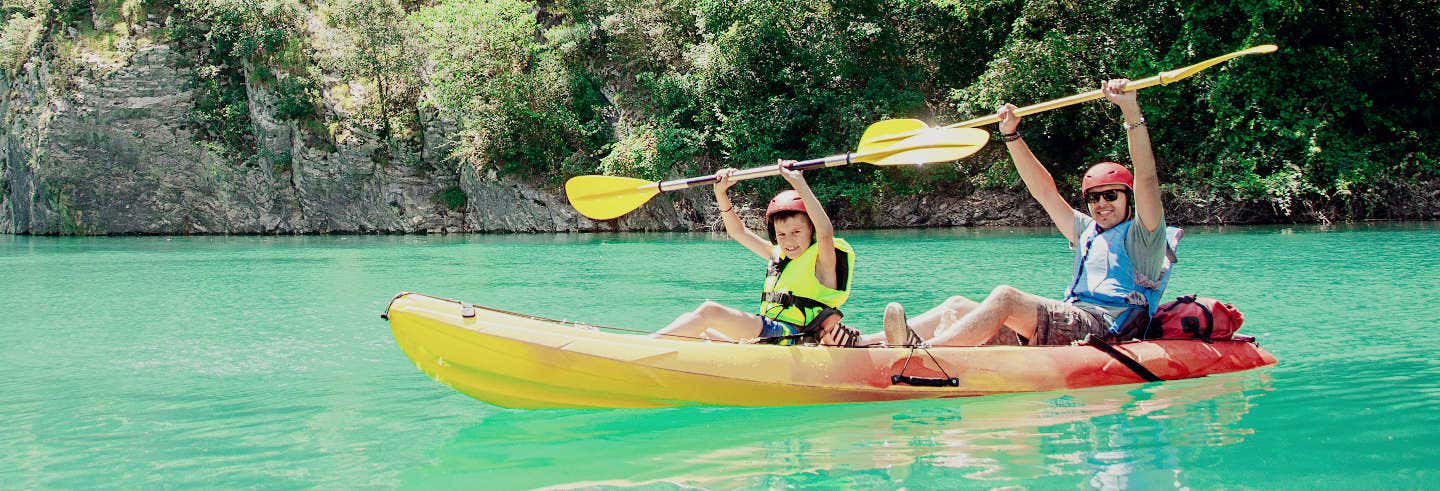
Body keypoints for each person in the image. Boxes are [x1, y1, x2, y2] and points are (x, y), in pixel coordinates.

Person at [884, 78, 1180, 347]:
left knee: (1006, 297)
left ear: (1129, 198)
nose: (1101, 203)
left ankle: (926, 353)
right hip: (1074, 317)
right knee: (957, 304)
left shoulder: (1145, 236)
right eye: (1093, 197)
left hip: (1105, 325)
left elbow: (1147, 176)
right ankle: (870, 343)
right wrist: (1011, 135)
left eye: (1111, 195)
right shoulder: (1086, 230)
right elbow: (1045, 192)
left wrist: (1130, 111)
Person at [651, 161, 861, 346]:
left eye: (796, 232)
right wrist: (721, 193)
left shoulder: (822, 262)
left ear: (810, 231)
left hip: (793, 335)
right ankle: (648, 353)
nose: (788, 240)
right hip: (770, 335)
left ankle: (645, 347)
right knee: (702, 331)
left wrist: (799, 183)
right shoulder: (778, 256)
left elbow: (825, 232)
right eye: (782, 234)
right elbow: (737, 231)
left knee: (710, 311)